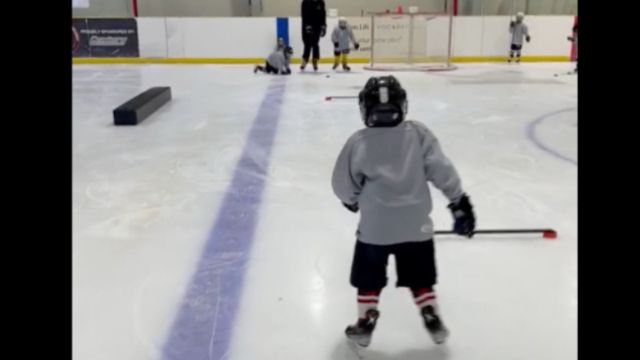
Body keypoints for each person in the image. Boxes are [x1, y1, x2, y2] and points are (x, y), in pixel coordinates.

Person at [331, 76, 476, 348]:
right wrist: (458, 201)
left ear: (364, 109)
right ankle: (430, 312)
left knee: (369, 277)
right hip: (416, 225)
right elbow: (441, 169)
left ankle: (365, 321)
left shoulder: (358, 141)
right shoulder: (418, 133)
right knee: (419, 277)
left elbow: (342, 182)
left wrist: (351, 200)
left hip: (375, 228)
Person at [300, 0, 326, 71]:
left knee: (315, 43)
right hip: (306, 26)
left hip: (317, 26)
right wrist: (307, 25)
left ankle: (315, 60)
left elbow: (323, 14)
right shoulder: (305, 2)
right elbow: (304, 14)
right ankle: (305, 59)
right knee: (307, 43)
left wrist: (323, 26)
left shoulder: (321, 2)